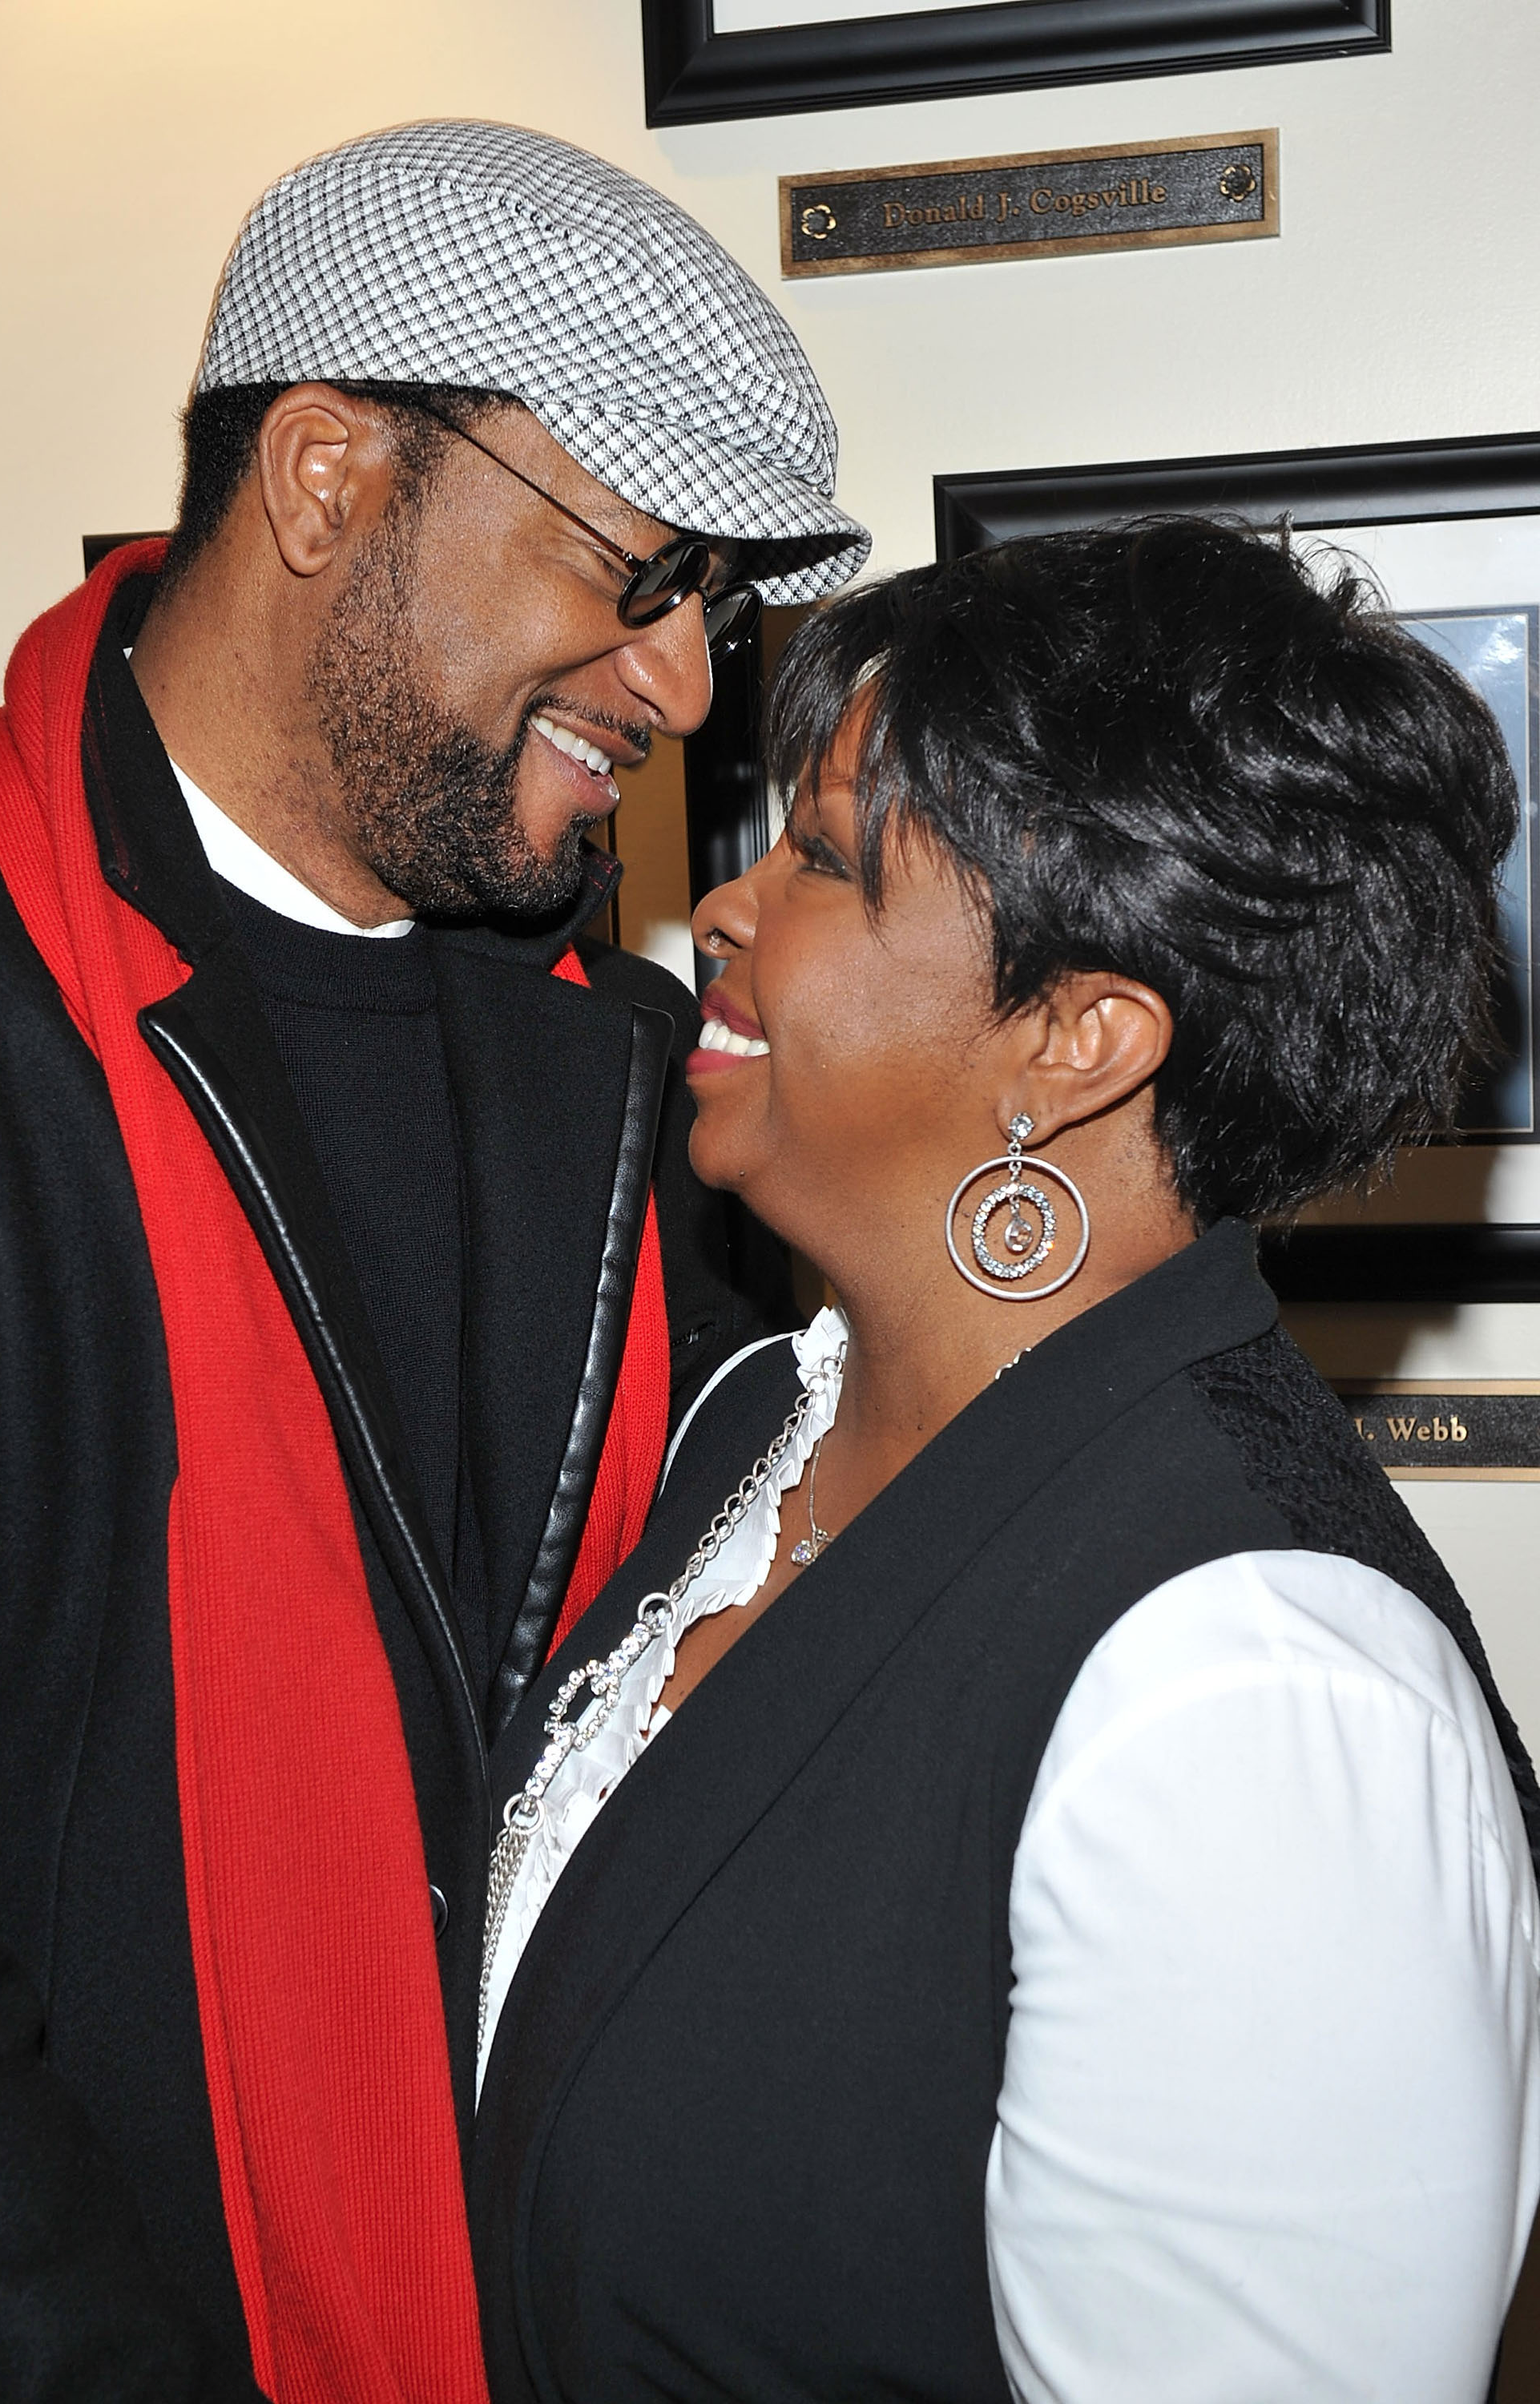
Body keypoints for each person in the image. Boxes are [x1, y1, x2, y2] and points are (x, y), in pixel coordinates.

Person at [0, 121, 868, 2400]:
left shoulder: (671, 1092)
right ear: (333, 475)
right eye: (642, 572)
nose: (675, 682)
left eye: (712, 607)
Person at [472, 520, 1540, 2404]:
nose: (725, 910)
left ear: (1076, 1034)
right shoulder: (756, 1432)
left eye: (820, 856)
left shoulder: (1253, 1692)